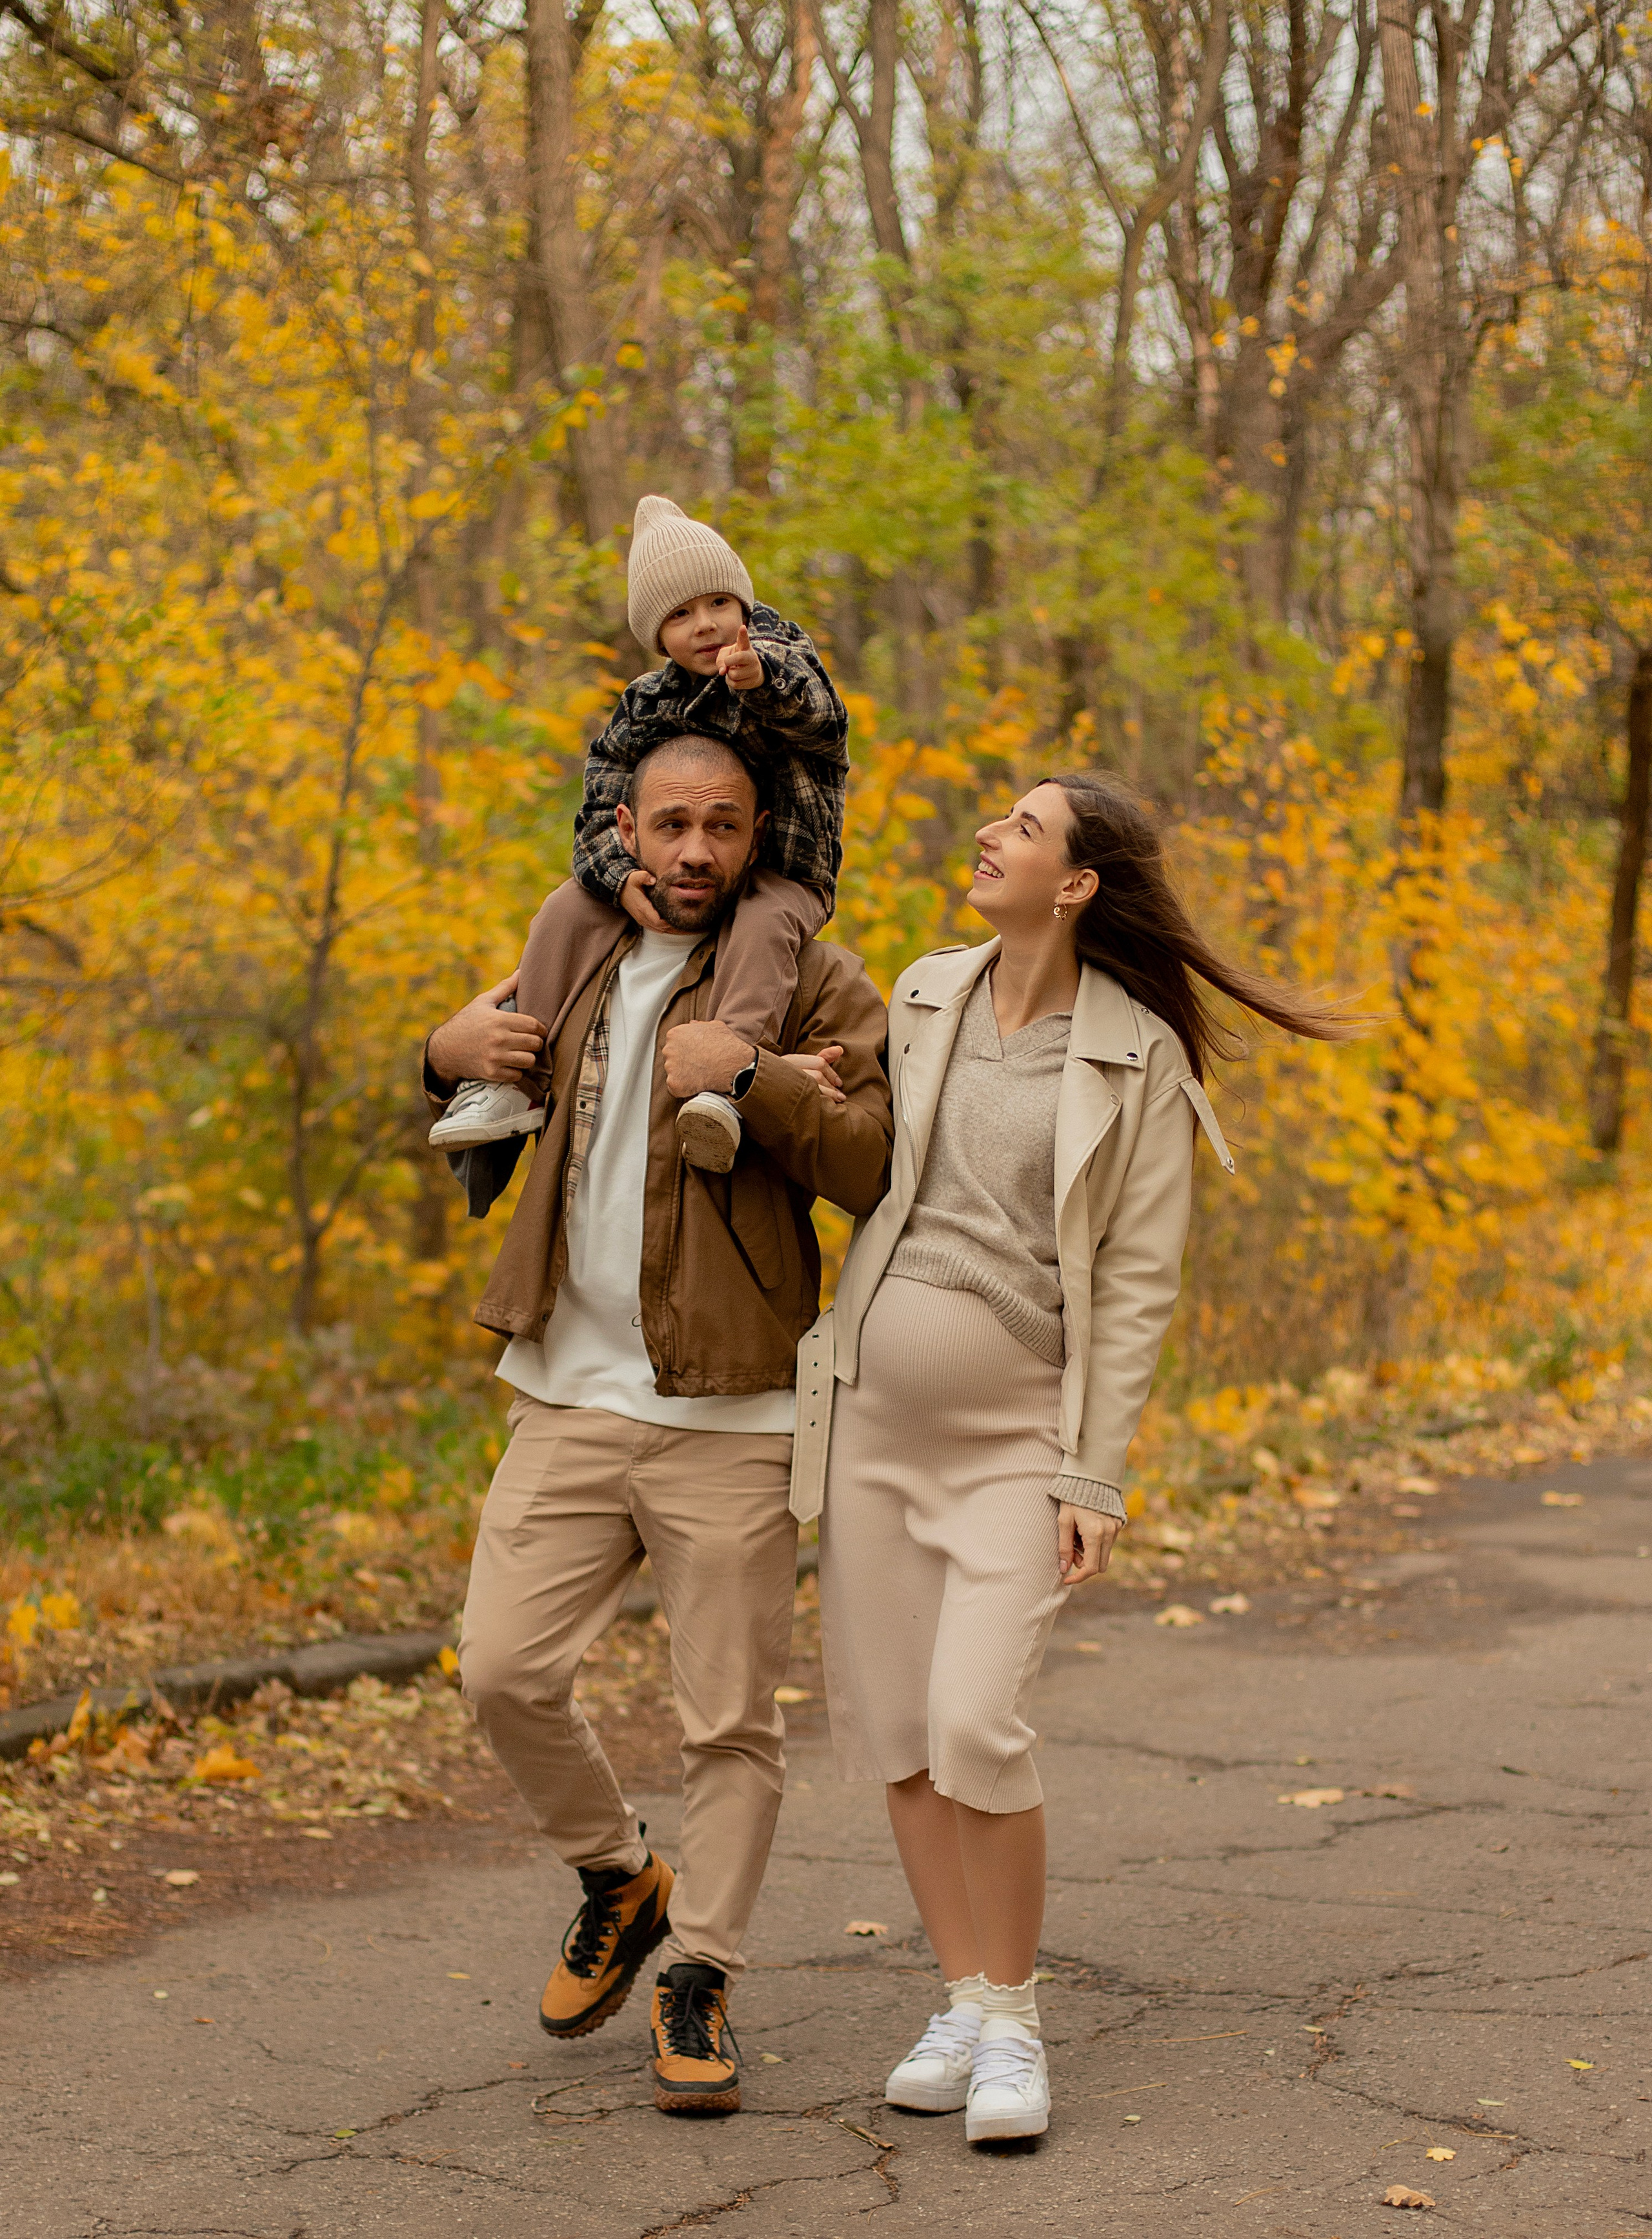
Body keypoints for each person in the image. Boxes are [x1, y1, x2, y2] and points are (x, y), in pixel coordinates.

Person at [791, 772, 1353, 2144]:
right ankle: (961, 2000)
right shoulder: (921, 992)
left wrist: (1092, 1472)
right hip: (867, 1419)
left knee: (978, 1722)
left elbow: (1143, 1277)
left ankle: (1016, 2021)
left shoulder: (1134, 1053)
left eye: (1021, 829)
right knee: (901, 1736)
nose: (986, 837)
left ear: (1079, 882)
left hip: (1016, 1437)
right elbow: (860, 1151)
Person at [422, 732, 892, 2119]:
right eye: (671, 823)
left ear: (760, 837)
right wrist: (434, 1051)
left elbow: (871, 1163)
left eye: (723, 827)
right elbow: (479, 1082)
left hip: (731, 1406)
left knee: (727, 1722)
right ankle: (621, 1878)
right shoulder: (569, 948)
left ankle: (701, 1973)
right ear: (625, 823)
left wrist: (750, 1078)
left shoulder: (810, 973)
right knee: (500, 1672)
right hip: (567, 1389)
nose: (694, 850)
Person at [430, 495, 849, 1176]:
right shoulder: (646, 702)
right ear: (657, 637)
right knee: (567, 906)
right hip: (669, 878)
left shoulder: (777, 656)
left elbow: (824, 720)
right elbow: (599, 803)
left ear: (743, 604)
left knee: (763, 922)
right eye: (680, 615)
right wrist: (618, 876)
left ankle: (725, 1077)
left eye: (718, 602)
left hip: (783, 870)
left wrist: (761, 681)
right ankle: (510, 1079)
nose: (707, 625)